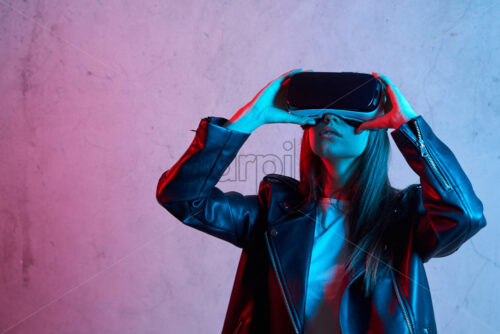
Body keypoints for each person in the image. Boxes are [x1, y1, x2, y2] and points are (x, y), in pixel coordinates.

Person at [156, 69, 487, 333]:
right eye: (322, 114)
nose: (331, 119)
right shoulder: (273, 214)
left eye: (348, 114)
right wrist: (249, 119)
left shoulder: (404, 218)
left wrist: (410, 127)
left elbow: (466, 216)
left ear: (375, 130)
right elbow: (183, 198)